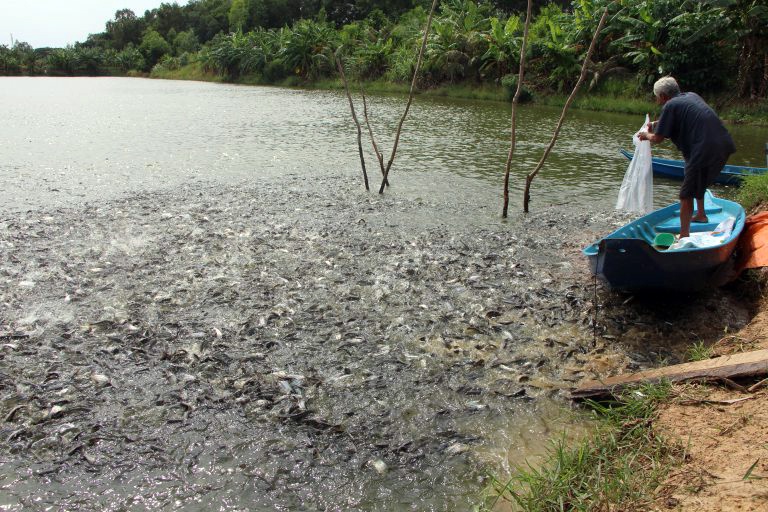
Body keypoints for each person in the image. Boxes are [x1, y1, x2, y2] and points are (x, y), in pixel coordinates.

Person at [638, 76, 735, 238]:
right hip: (723, 144)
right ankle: (701, 215)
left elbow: (658, 138)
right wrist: (656, 125)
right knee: (698, 178)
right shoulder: (691, 96)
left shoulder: (670, 105)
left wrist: (645, 134)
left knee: (685, 194)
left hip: (703, 148)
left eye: (657, 97)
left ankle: (684, 236)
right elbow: (682, 117)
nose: (657, 101)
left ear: (662, 96)